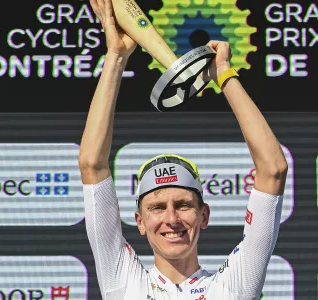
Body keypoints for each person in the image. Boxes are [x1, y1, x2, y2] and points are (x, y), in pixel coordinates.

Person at [79, 0, 288, 298]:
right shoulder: (124, 282)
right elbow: (92, 164)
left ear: (204, 215)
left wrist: (223, 74)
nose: (172, 219)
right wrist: (115, 56)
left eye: (184, 205)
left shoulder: (231, 287)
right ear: (139, 221)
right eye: (156, 207)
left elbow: (274, 169)